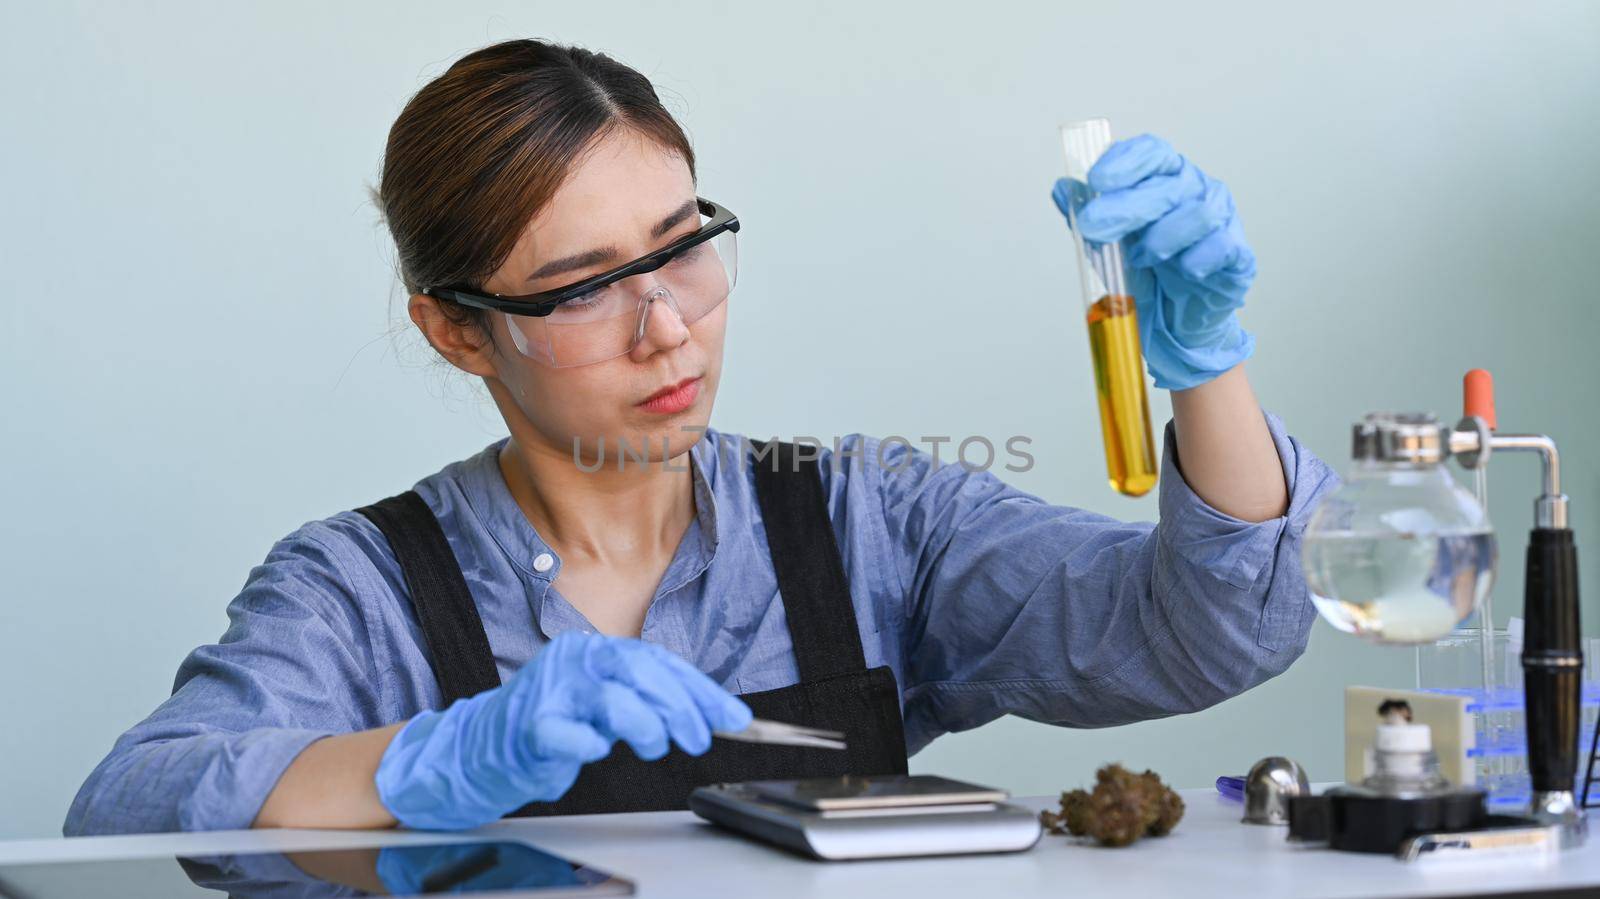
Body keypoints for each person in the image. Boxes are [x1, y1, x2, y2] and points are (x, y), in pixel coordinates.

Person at [65, 38, 1336, 836]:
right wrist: (431, 758)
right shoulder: (360, 589)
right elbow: (129, 805)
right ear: (459, 332)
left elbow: (1207, 631)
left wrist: (1204, 368)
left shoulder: (866, 520)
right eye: (582, 284)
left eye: (681, 248)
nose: (666, 327)